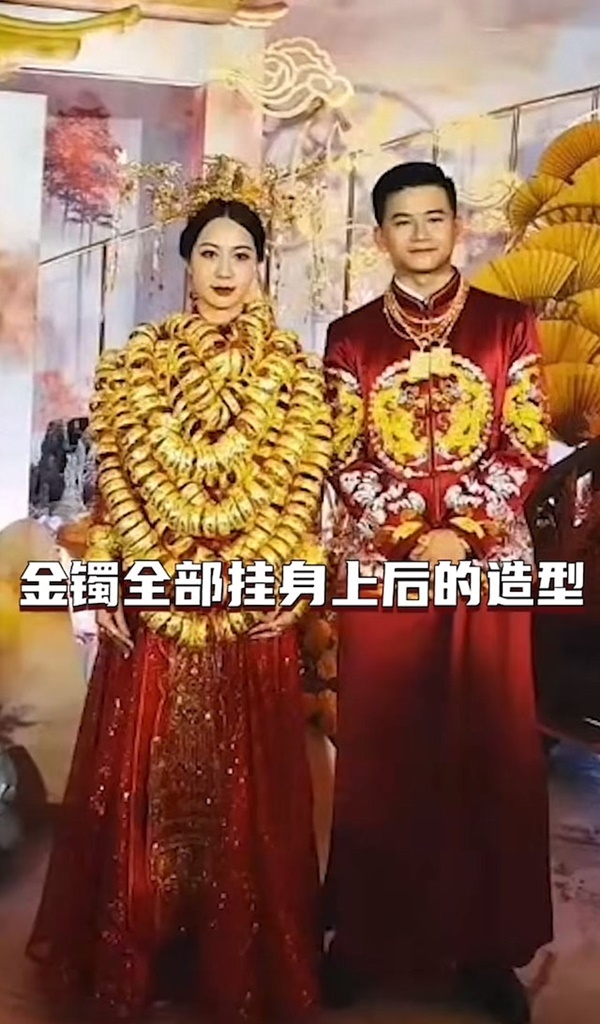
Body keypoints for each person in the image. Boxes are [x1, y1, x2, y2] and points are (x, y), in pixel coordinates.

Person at [27, 162, 332, 1024]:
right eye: (209, 253)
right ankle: (143, 948)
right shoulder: (136, 368)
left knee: (244, 794)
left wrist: (296, 583)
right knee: (147, 786)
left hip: (250, 601)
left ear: (261, 267)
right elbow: (109, 493)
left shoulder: (294, 374)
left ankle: (236, 956)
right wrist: (102, 582)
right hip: (154, 603)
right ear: (184, 264)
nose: (226, 271)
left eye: (242, 255)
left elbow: (305, 496)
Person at [321, 161, 552, 1024]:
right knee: (382, 749)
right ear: (379, 235)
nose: (420, 234)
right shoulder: (350, 336)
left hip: (485, 566)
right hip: (386, 570)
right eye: (402, 221)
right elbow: (343, 454)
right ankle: (366, 942)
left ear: (459, 225)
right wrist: (414, 532)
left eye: (434, 217)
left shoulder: (508, 324)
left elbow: (526, 444)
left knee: (489, 746)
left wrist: (466, 529)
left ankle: (486, 950)